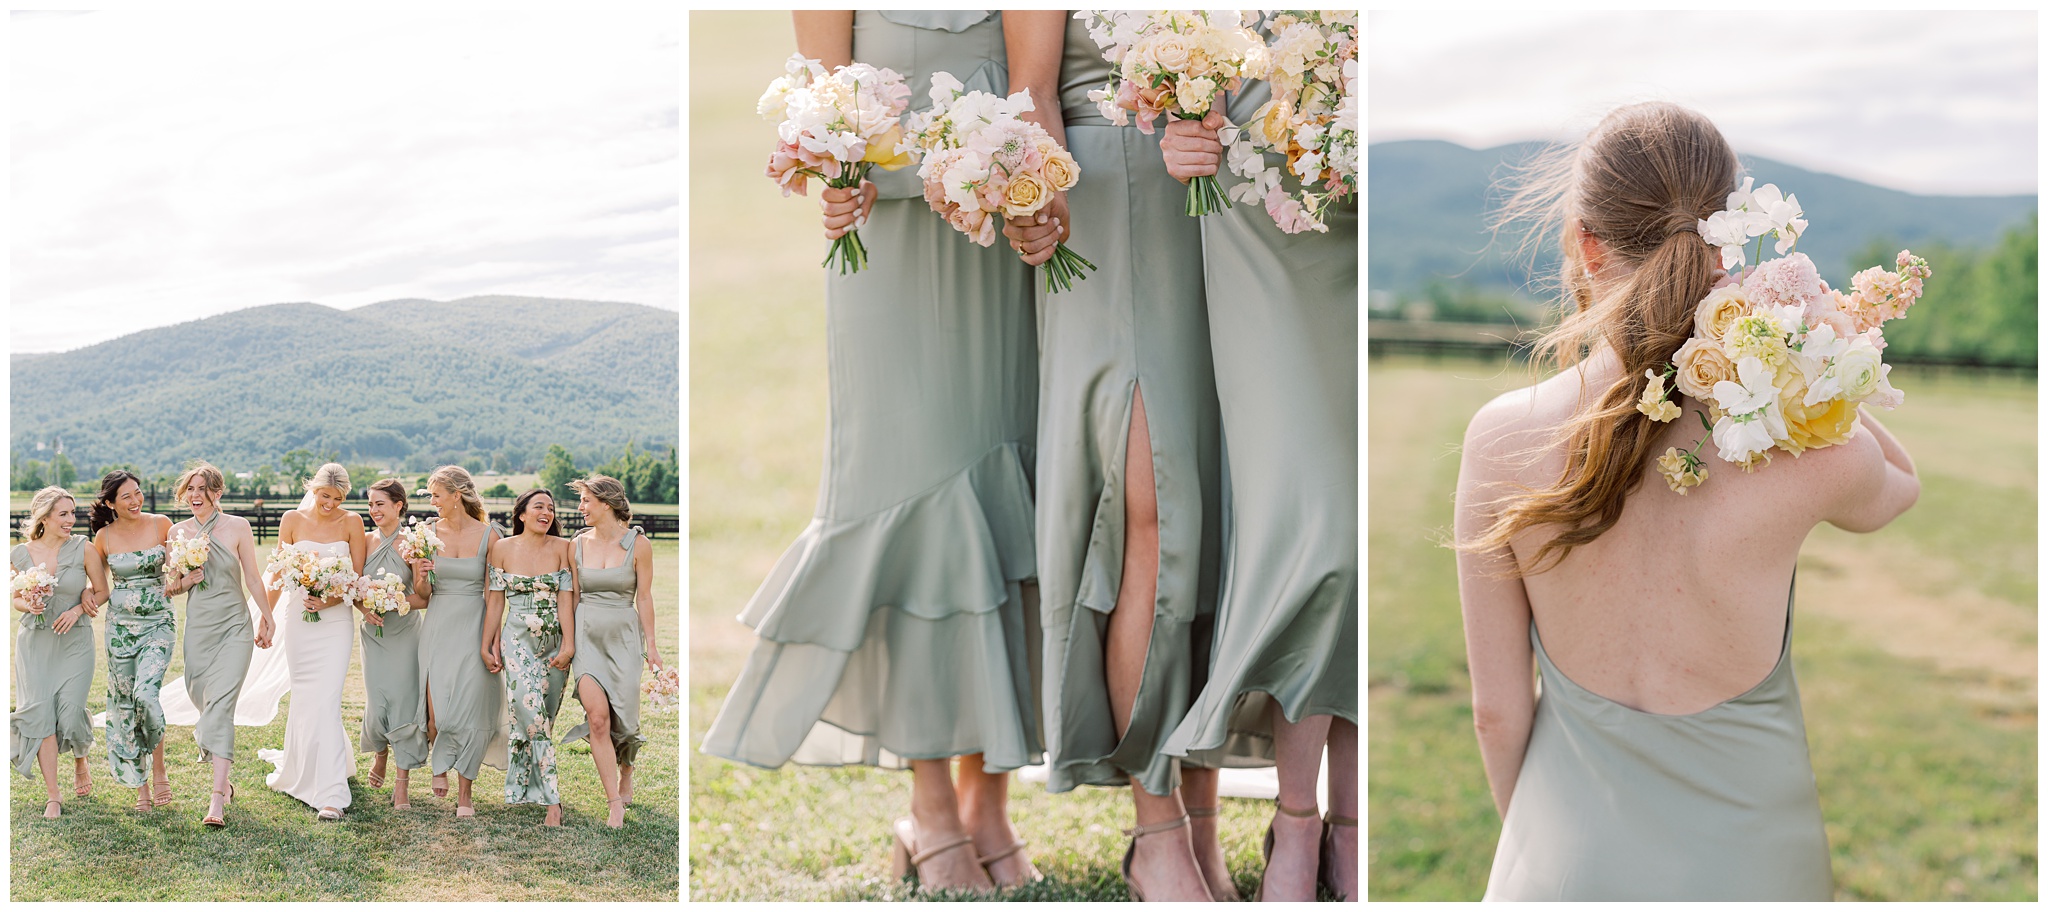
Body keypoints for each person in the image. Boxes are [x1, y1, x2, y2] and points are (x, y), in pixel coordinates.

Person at [1452, 102, 1919, 900]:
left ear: (1585, 245)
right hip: (1756, 865)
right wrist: (1820, 357)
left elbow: (1497, 713)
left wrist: (1541, 850)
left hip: (1562, 865)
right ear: (1729, 248)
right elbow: (1897, 488)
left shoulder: (1500, 439)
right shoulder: (1805, 451)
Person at [700, 10, 1042, 893]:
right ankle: (929, 810)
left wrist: (1029, 191)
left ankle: (988, 806)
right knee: (910, 495)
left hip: (994, 243)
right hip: (883, 250)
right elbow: (822, 102)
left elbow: (1034, 92)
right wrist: (833, 178)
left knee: (1005, 492)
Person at [1001, 10, 1234, 902]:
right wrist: (1035, 191)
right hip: (1106, 198)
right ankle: (1157, 829)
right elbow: (1034, 81)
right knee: (1152, 508)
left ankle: (1202, 823)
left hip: (1234, 198)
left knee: (1212, 513)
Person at [1158, 21, 1360, 898]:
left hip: (1363, 191)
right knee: (1320, 534)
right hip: (1256, 200)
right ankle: (1297, 820)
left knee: (1362, 547)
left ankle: (1351, 825)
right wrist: (1172, 122)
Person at [166, 462, 275, 828]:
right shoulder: (177, 532)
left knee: (222, 706)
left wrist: (267, 616)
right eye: (190, 489)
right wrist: (186, 580)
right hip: (199, 629)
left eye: (203, 488)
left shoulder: (239, 527)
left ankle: (216, 801)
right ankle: (224, 783)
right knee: (202, 699)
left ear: (218, 492)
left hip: (234, 627)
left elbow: (253, 578)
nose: (195, 495)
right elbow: (170, 585)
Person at [261, 463, 367, 820]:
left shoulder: (352, 522)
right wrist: (267, 617)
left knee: (327, 698)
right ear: (313, 489)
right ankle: (303, 769)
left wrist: (330, 599)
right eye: (325, 496)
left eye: (338, 498)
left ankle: (333, 794)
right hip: (299, 622)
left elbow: (357, 579)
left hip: (335, 622)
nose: (330, 503)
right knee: (307, 698)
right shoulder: (291, 519)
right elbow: (277, 571)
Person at [565, 475, 662, 829]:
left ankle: (627, 768)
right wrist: (568, 642)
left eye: (587, 501)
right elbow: (572, 596)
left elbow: (645, 597)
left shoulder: (639, 545)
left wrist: (651, 646)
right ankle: (613, 803)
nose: (581, 508)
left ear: (606, 503)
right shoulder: (575, 545)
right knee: (598, 719)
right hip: (587, 635)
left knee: (626, 718)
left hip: (624, 637)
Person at [89, 470, 184, 813]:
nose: (135, 500)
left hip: (158, 621)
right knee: (127, 702)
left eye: (138, 493)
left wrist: (183, 579)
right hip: (120, 628)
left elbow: (175, 573)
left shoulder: (162, 525)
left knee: (147, 694)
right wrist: (80, 599)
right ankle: (140, 784)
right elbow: (98, 588)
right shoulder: (103, 537)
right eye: (126, 496)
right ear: (111, 502)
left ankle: (160, 769)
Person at [483, 487, 577, 827]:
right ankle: (553, 800)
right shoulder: (502, 549)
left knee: (543, 718)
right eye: (539, 506)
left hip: (554, 643)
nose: (547, 513)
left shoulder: (564, 549)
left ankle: (524, 786)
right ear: (521, 513)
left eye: (551, 508)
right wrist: (488, 643)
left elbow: (567, 599)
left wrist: (568, 644)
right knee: (531, 713)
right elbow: (495, 601)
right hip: (517, 640)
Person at [418, 464, 508, 817]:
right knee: (437, 713)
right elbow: (422, 592)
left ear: (457, 495)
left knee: (468, 710)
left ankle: (465, 792)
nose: (432, 501)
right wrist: (423, 573)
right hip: (439, 622)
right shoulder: (426, 532)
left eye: (436, 494)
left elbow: (493, 594)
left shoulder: (490, 536)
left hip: (475, 624)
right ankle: (439, 763)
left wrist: (491, 641)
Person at [11, 486, 104, 818]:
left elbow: (102, 590)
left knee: (70, 709)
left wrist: (79, 609)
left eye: (73, 512)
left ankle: (81, 759)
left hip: (75, 641)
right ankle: (53, 795)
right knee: (40, 712)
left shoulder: (84, 548)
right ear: (44, 516)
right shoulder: (19, 554)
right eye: (63, 514)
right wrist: (30, 603)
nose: (71, 519)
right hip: (35, 642)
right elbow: (16, 598)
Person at [359, 477, 431, 809]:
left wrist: (395, 600)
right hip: (373, 635)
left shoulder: (413, 543)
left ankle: (401, 783)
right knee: (378, 702)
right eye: (371, 504)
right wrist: (364, 606)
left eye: (380, 504)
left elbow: (425, 597)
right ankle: (380, 753)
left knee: (403, 702)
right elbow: (352, 589)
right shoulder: (362, 542)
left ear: (398, 506)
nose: (373, 510)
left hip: (405, 634)